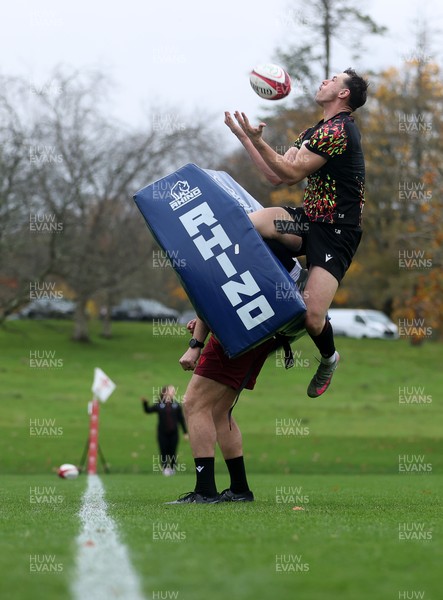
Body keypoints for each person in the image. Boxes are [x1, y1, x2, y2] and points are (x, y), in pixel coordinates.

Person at [224, 68, 369, 398]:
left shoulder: (340, 131)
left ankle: (330, 358)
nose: (324, 82)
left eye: (332, 80)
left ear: (343, 94)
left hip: (337, 233)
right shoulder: (314, 131)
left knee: (313, 320)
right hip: (307, 222)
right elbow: (278, 177)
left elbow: (289, 169)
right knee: (250, 225)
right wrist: (248, 139)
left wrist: (259, 140)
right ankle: (290, 272)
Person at [167, 243, 306, 504]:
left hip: (237, 331)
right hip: (260, 328)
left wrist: (195, 345)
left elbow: (208, 296)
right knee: (219, 410)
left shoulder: (210, 243)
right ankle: (240, 489)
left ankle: (205, 491)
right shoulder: (244, 240)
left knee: (195, 403)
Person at [141, 385, 188, 476]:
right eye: (171, 390)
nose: (173, 392)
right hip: (162, 433)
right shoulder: (159, 405)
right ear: (165, 392)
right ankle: (165, 468)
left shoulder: (176, 405)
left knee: (173, 451)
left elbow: (181, 419)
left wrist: (185, 432)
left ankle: (173, 468)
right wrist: (145, 403)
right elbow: (148, 411)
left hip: (174, 432)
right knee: (163, 451)